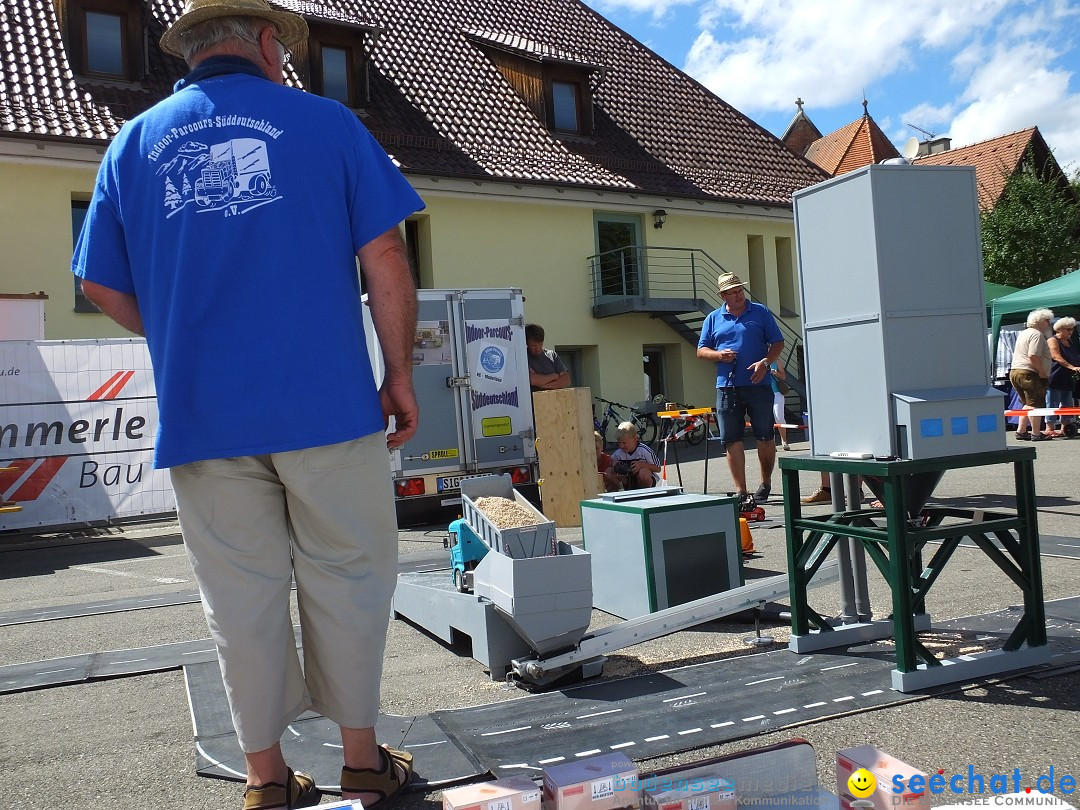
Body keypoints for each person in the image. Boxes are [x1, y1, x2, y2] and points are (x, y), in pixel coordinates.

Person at [71, 1, 425, 807]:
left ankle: (266, 781)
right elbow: (385, 252)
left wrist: (175, 333)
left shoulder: (131, 144)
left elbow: (96, 282)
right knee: (349, 577)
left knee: (240, 597)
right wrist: (398, 372)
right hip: (327, 406)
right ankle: (363, 763)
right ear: (268, 45)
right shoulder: (327, 124)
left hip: (205, 416)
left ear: (191, 56)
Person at [696, 272, 784, 505]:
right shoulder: (713, 318)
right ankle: (740, 491)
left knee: (765, 436)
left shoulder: (760, 312)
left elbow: (778, 342)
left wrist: (765, 363)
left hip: (759, 385)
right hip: (727, 387)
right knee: (731, 439)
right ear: (723, 295)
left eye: (740, 290)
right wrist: (719, 355)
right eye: (733, 292)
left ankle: (765, 484)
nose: (738, 295)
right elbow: (701, 350)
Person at [1009, 308, 1055, 442]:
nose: (1049, 324)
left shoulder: (1024, 333)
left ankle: (1021, 431)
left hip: (1016, 371)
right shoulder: (1037, 334)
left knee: (1028, 403)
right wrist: (1042, 372)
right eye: (1047, 321)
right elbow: (1033, 355)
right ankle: (1036, 433)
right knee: (1036, 404)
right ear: (1039, 321)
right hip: (1029, 373)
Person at [603, 421, 661, 491]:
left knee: (643, 472)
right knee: (608, 471)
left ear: (635, 439)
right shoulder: (618, 453)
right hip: (627, 479)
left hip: (643, 479)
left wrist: (642, 465)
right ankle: (621, 490)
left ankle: (645, 492)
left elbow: (658, 468)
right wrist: (614, 464)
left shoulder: (644, 451)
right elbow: (610, 464)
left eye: (624, 443)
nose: (621, 446)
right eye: (619, 443)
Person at [1046, 316, 1080, 434]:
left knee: (1067, 403)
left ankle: (1065, 428)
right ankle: (1049, 428)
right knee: (1052, 402)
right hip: (1056, 376)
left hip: (1069, 378)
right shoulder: (1053, 340)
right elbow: (1056, 356)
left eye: (1072, 329)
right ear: (1059, 329)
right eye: (1068, 329)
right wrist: (1072, 367)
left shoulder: (1070, 341)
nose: (1071, 332)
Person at [526, 323, 571, 391]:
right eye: (533, 346)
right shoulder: (524, 357)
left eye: (540, 344)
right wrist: (555, 376)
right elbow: (533, 380)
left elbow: (566, 380)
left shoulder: (552, 355)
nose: (538, 349)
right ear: (527, 343)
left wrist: (543, 385)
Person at [769, 361, 791, 450]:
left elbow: (783, 376)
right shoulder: (759, 358)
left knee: (779, 417)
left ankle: (784, 440)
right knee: (767, 419)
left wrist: (775, 372)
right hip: (764, 393)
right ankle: (771, 443)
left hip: (777, 393)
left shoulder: (777, 361)